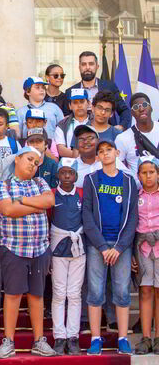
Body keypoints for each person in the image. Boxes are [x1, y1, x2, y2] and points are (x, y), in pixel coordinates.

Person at [0, 146, 57, 358]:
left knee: (37, 295)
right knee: (12, 294)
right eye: (29, 159)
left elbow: (49, 201)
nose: (32, 164)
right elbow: (7, 210)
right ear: (18, 159)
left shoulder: (40, 182)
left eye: (36, 162)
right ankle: (8, 341)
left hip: (39, 247)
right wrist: (34, 205)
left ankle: (39, 340)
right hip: (14, 247)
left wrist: (20, 201)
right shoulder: (4, 184)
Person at [82, 139, 138, 355]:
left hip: (121, 246)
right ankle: (96, 338)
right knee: (95, 292)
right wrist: (103, 246)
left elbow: (133, 217)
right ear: (97, 157)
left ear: (117, 153)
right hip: (98, 244)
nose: (105, 154)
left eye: (109, 150)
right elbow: (87, 215)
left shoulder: (128, 181)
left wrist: (121, 246)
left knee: (122, 291)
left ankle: (123, 338)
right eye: (101, 152)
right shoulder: (91, 180)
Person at [49, 158, 84, 355]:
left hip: (78, 249)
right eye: (63, 172)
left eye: (71, 172)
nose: (67, 176)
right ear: (58, 175)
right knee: (59, 292)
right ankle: (59, 337)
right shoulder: (52, 195)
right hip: (58, 246)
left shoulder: (81, 195)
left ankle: (73, 336)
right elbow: (48, 218)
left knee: (74, 293)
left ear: (76, 176)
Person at [65, 51, 131, 130]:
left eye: (91, 64)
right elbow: (66, 118)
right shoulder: (70, 91)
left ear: (97, 66)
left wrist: (121, 126)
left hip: (107, 136)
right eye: (83, 64)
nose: (87, 67)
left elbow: (124, 110)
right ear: (79, 67)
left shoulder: (110, 87)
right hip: (79, 136)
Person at [133, 156, 159, 355]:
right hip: (143, 249)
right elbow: (132, 223)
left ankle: (158, 337)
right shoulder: (136, 196)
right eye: (144, 172)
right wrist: (133, 252)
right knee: (145, 291)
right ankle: (146, 337)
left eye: (151, 172)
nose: (148, 176)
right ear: (138, 175)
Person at [116, 92, 159, 178]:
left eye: (144, 104)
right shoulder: (122, 138)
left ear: (151, 108)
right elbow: (116, 165)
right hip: (139, 189)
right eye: (136, 107)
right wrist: (133, 180)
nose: (141, 109)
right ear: (131, 113)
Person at [55, 88, 91, 158]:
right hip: (70, 164)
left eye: (82, 101)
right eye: (75, 102)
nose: (79, 105)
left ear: (88, 104)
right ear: (70, 106)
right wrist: (82, 156)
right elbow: (61, 150)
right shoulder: (62, 124)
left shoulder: (96, 122)